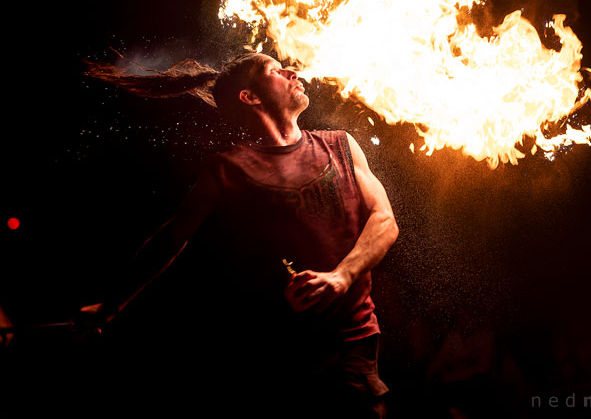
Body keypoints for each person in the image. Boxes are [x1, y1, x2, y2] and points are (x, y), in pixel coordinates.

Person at [76, 51, 399, 418]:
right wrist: (111, 304)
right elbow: (171, 239)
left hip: (350, 343)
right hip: (275, 355)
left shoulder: (339, 144)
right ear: (251, 97)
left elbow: (384, 220)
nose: (293, 71)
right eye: (276, 71)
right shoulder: (227, 171)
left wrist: (342, 277)